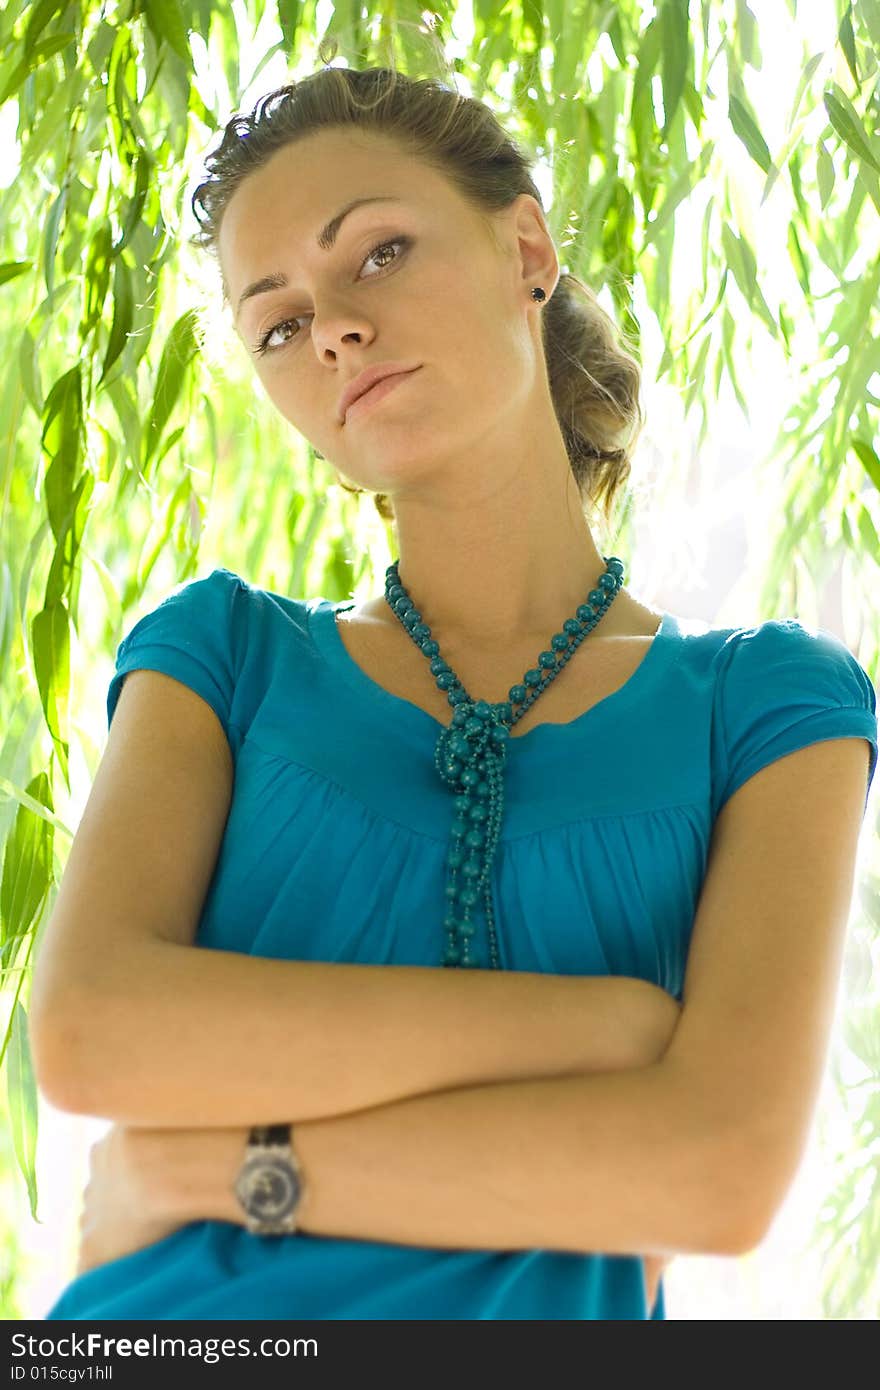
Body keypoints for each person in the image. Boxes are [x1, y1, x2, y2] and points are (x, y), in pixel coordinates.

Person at [39, 66, 877, 1321]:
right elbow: (95, 1032)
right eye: (276, 323)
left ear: (525, 247)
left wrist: (223, 1165)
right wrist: (610, 1030)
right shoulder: (220, 657)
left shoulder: (766, 709)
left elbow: (712, 1173)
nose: (329, 327)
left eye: (375, 253)